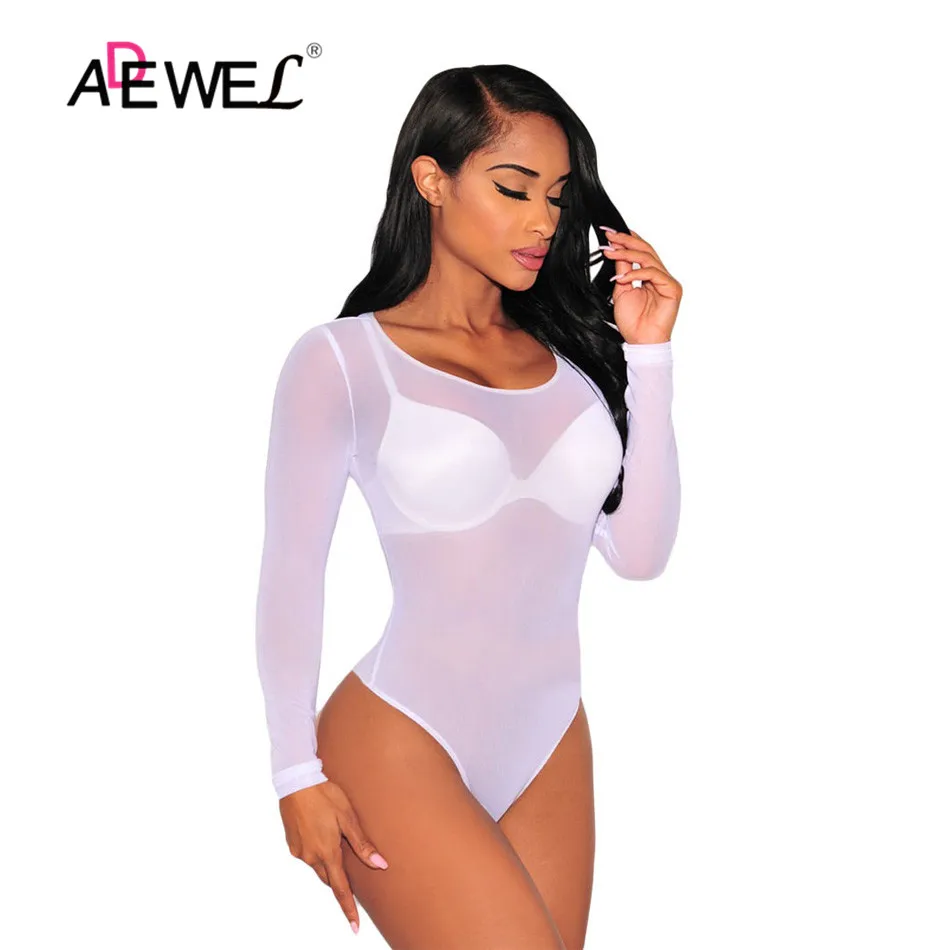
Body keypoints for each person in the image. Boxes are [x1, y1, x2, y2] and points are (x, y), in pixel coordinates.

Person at [255, 63, 682, 948]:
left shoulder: (574, 364)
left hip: (551, 737)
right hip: (400, 731)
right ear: (433, 180)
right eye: (514, 189)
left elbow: (639, 555)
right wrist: (295, 772)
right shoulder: (343, 361)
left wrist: (649, 356)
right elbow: (293, 571)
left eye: (556, 197)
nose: (543, 222)